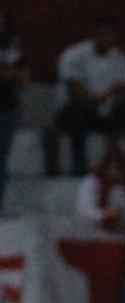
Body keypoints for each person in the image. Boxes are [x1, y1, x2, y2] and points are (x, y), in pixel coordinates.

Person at [45, 17, 125, 176]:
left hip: (106, 111)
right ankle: (79, 166)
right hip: (74, 109)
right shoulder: (74, 54)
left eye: (110, 35)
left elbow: (123, 88)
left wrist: (112, 98)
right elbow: (74, 88)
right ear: (94, 35)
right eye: (103, 34)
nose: (107, 39)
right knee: (79, 110)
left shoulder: (120, 58)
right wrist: (100, 96)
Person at [0, 12, 28, 213]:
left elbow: (24, 80)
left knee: (1, 157)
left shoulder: (13, 50)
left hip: (6, 109)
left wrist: (9, 73)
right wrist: (8, 73)